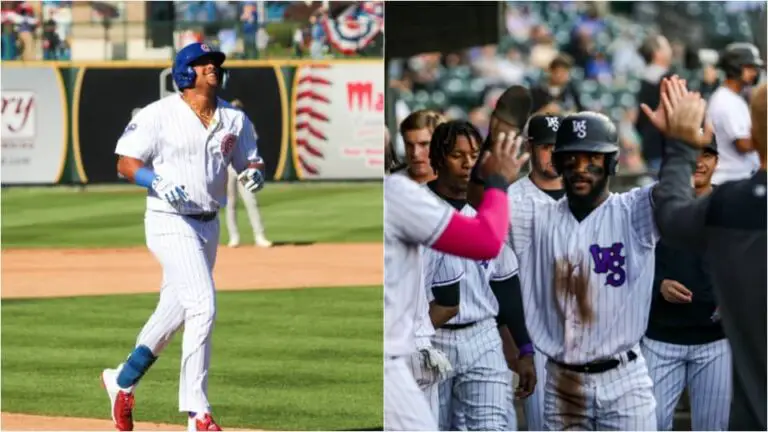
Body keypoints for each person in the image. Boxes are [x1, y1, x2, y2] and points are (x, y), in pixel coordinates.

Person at [102, 42, 266, 432]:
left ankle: (122, 380)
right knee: (203, 306)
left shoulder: (234, 119)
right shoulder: (159, 114)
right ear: (184, 72)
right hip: (168, 219)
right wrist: (154, 179)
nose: (212, 67)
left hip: (209, 223)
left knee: (173, 313)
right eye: (203, 63)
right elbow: (126, 163)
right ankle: (198, 413)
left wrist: (255, 171)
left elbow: (250, 159)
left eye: (215, 63)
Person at [475, 111, 662, 430]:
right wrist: (494, 183)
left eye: (592, 158)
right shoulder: (538, 221)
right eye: (571, 158)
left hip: (625, 379)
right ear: (558, 164)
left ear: (612, 163)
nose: (581, 168)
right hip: (563, 381)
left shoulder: (633, 211)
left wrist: (681, 145)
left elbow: (672, 195)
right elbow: (483, 234)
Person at [384, 129, 530, 431]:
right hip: (428, 339)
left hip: (480, 333)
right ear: (438, 159)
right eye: (457, 155)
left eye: (473, 156)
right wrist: (499, 182)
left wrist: (523, 347)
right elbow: (449, 298)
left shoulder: (488, 208)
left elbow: (504, 283)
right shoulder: (413, 202)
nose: (467, 163)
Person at [647, 76, 766, 431]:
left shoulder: (731, 203)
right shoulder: (726, 202)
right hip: (669, 335)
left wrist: (680, 145)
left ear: (753, 140)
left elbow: (671, 216)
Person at [641, 137, 731, 431]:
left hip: (715, 340)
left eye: (707, 155)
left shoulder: (728, 206)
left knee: (713, 427)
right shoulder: (653, 204)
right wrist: (659, 284)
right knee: (650, 424)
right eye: (692, 154)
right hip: (660, 337)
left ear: (716, 161)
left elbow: (747, 263)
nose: (700, 162)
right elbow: (631, 260)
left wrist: (732, 297)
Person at [506, 113, 566, 432]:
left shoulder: (587, 197)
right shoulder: (508, 201)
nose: (554, 154)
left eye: (560, 146)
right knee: (542, 424)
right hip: (533, 334)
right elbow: (498, 277)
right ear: (529, 147)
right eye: (546, 146)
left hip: (581, 331)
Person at [706, 42, 763, 184]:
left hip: (738, 178)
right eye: (750, 67)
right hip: (728, 180)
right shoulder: (725, 100)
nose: (755, 73)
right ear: (735, 68)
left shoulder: (734, 97)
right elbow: (744, 144)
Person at [224, 100, 272, 248]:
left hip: (244, 167)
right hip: (228, 168)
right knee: (231, 203)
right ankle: (234, 237)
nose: (236, 111)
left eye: (238, 108)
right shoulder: (223, 125)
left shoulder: (247, 125)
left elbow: (252, 146)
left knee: (251, 201)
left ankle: (259, 236)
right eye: (234, 108)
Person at [635, 34, 674, 173]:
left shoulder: (642, 79)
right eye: (666, 46)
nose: (670, 50)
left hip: (652, 148)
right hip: (665, 150)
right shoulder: (666, 80)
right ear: (657, 53)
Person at [398, 110, 447, 184]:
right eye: (409, 145)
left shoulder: (463, 187)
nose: (415, 153)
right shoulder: (391, 186)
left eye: (424, 144)